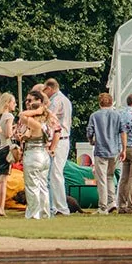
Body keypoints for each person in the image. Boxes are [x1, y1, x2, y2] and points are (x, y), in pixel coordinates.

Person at [85, 92, 124, 214]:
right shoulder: (117, 115)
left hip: (101, 149)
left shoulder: (95, 116)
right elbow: (123, 131)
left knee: (101, 178)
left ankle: (102, 206)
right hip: (115, 149)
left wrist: (91, 140)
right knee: (110, 177)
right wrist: (123, 148)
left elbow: (90, 131)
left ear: (99, 102)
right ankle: (112, 202)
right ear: (111, 102)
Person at [19, 90, 53, 220]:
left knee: (32, 185)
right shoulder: (47, 124)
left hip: (33, 154)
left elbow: (22, 115)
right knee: (43, 185)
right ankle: (45, 213)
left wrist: (36, 111)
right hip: (44, 155)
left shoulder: (35, 124)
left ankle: (34, 214)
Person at [43, 78, 74, 217]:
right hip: (63, 138)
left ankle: (60, 206)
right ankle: (58, 204)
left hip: (59, 139)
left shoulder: (56, 100)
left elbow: (48, 116)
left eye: (45, 90)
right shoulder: (65, 99)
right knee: (56, 173)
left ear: (49, 88)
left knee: (55, 173)